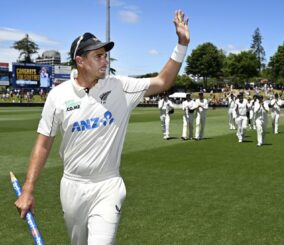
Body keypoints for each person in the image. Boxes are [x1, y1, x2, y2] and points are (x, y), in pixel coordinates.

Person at [14, 10, 190, 245]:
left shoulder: (121, 87)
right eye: (98, 56)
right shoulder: (57, 96)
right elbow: (44, 143)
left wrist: (182, 44)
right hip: (72, 186)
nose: (105, 60)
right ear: (80, 61)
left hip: (108, 185)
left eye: (105, 55)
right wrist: (28, 188)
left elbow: (163, 81)